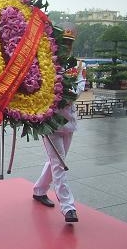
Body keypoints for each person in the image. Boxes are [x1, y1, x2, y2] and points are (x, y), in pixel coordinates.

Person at [32, 22, 86, 223]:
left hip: (69, 119)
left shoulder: (79, 65)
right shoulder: (46, 63)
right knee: (59, 163)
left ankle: (39, 190)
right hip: (50, 121)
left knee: (55, 161)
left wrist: (64, 93)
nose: (66, 47)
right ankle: (68, 206)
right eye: (63, 43)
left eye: (69, 43)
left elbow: (79, 89)